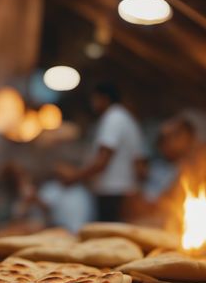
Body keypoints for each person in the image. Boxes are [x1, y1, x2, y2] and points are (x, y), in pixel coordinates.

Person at [57, 83, 145, 222]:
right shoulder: (124, 118)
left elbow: (102, 160)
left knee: (109, 237)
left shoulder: (113, 118)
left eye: (95, 99)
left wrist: (74, 177)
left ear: (104, 98)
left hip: (113, 192)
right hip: (121, 191)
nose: (93, 104)